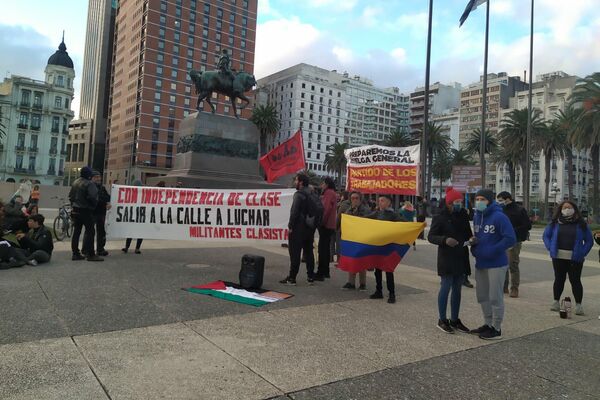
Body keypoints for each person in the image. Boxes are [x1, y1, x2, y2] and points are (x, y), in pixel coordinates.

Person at [469, 189, 516, 340]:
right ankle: (487, 323)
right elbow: (479, 236)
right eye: (477, 199)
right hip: (481, 262)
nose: (479, 202)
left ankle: (496, 328)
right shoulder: (477, 216)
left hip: (496, 263)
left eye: (482, 199)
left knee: (495, 296)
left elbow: (510, 238)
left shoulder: (499, 217)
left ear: (489, 200)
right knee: (482, 295)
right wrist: (474, 245)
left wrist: (492, 250)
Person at [428, 187, 472, 334]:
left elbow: (468, 233)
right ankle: (442, 319)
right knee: (446, 286)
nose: (459, 204)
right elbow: (431, 236)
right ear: (449, 203)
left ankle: (455, 319)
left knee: (457, 289)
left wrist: (471, 239)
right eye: (456, 202)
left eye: (460, 202)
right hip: (446, 256)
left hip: (461, 255)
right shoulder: (439, 217)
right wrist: (445, 240)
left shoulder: (463, 215)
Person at [543, 201, 593, 316]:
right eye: (564, 207)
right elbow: (546, 235)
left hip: (575, 258)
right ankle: (555, 301)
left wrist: (582, 253)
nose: (567, 209)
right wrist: (550, 247)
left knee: (575, 280)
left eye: (569, 207)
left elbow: (589, 240)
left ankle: (579, 305)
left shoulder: (581, 224)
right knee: (559, 279)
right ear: (561, 209)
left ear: (574, 209)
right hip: (558, 256)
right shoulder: (555, 222)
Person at [280, 173, 316, 285]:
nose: (295, 182)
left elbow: (294, 212)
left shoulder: (298, 194)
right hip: (309, 227)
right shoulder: (312, 193)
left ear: (300, 182)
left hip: (298, 228)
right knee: (309, 252)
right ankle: (310, 277)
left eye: (296, 180)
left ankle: (292, 278)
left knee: (295, 253)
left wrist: (290, 225)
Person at [368, 195, 404, 304]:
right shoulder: (377, 213)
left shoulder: (393, 215)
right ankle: (378, 291)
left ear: (389, 203)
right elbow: (366, 218)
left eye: (382, 201)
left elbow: (404, 223)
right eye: (379, 201)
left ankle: (392, 293)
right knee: (377, 269)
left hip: (389, 246)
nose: (380, 203)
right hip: (378, 245)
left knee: (388, 270)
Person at [496, 191, 532, 298]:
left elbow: (527, 225)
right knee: (503, 264)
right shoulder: (500, 209)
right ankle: (504, 286)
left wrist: (512, 231)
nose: (500, 202)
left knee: (513, 264)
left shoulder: (519, 209)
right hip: (502, 240)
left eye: (501, 200)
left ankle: (514, 288)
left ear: (508, 199)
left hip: (515, 240)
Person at [69, 166, 102, 262]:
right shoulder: (89, 184)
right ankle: (91, 254)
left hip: (75, 210)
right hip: (85, 210)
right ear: (88, 174)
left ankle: (75, 253)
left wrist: (74, 205)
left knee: (77, 232)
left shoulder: (75, 182)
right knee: (90, 231)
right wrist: (92, 207)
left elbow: (70, 196)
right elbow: (93, 197)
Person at [341, 191, 370, 290]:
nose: (354, 200)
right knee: (351, 260)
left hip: (362, 238)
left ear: (360, 199)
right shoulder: (349, 209)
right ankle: (351, 282)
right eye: (352, 198)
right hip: (352, 238)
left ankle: (363, 283)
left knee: (362, 260)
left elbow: (366, 220)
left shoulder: (365, 209)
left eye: (356, 198)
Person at [83, 171, 111, 257]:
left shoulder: (102, 188)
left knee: (101, 232)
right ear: (91, 178)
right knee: (90, 232)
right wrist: (103, 201)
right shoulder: (89, 187)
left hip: (101, 213)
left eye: (99, 177)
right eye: (96, 177)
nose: (98, 179)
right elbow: (94, 199)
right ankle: (86, 250)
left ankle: (100, 249)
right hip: (92, 213)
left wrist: (104, 201)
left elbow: (107, 197)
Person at [315, 177, 337, 281]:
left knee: (322, 249)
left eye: (323, 183)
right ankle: (326, 271)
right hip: (330, 225)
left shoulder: (328, 193)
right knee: (326, 248)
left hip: (326, 225)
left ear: (327, 184)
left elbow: (326, 209)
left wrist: (321, 222)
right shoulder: (332, 193)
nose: (321, 185)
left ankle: (321, 273)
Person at [122, 179, 144, 255]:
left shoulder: (142, 194)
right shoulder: (132, 194)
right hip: (136, 216)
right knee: (133, 232)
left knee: (136, 233)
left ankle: (129, 248)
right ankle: (134, 248)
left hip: (139, 216)